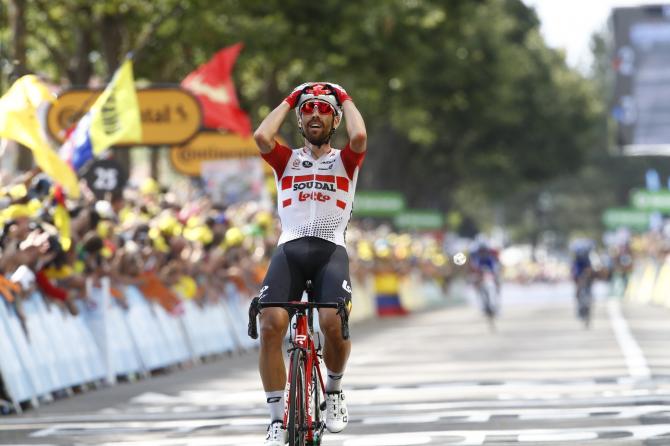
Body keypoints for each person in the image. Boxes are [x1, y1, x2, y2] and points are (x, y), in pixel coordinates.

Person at [253, 82, 367, 445]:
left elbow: (361, 134)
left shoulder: (345, 160)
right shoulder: (286, 159)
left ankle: (333, 392)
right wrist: (291, 98)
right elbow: (261, 135)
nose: (314, 114)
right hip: (289, 250)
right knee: (271, 324)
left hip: (330, 250)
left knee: (333, 322)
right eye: (307, 110)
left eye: (323, 110)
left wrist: (344, 96)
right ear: (299, 120)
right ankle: (275, 419)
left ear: (335, 120)